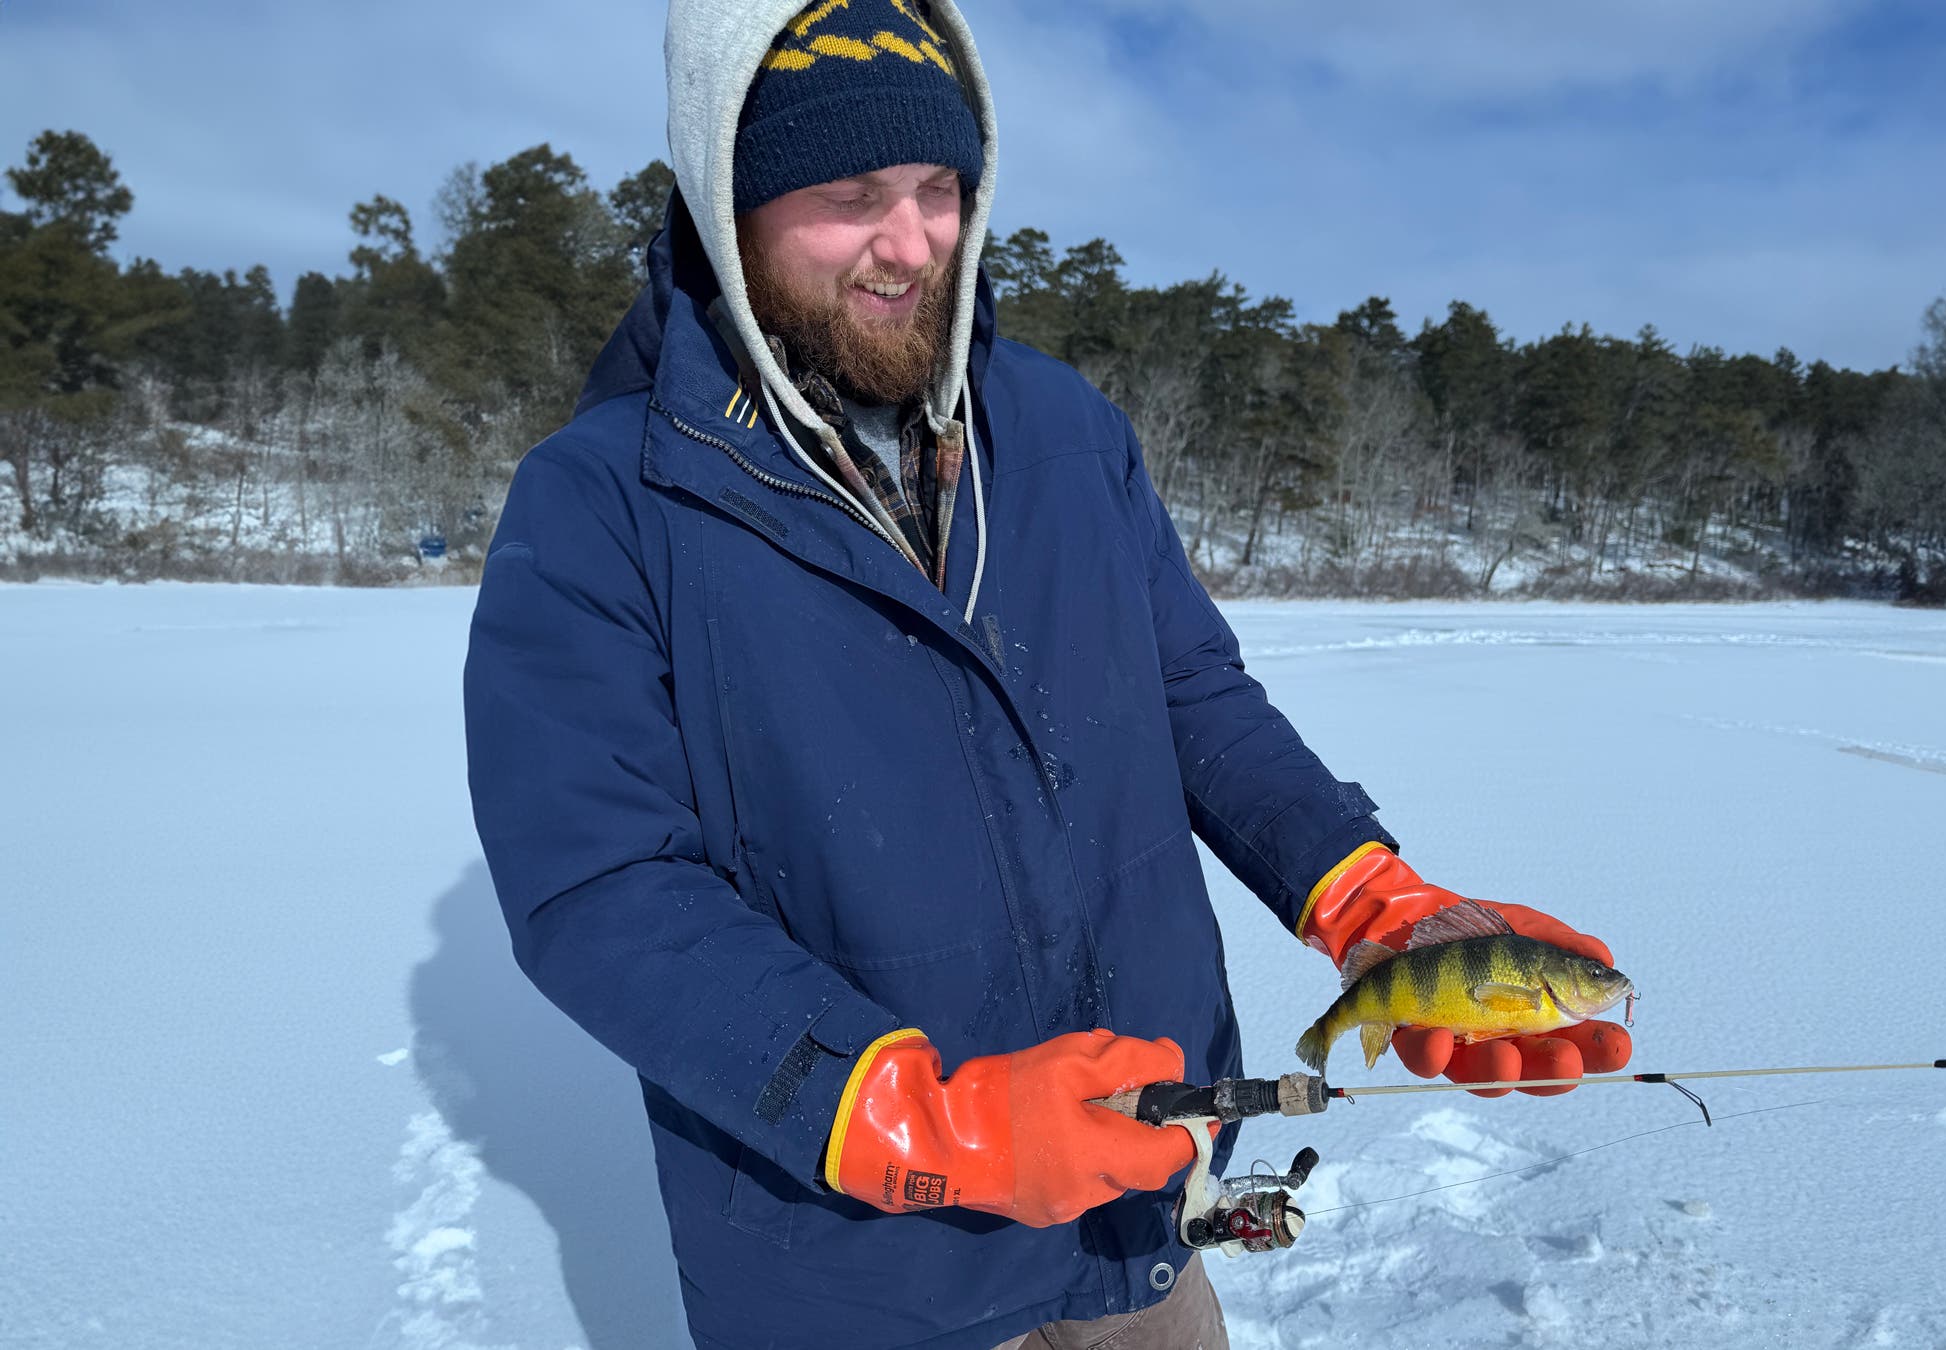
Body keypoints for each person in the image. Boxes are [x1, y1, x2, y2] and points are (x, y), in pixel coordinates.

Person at [461, 2, 1633, 1347]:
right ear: (728, 199)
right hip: (858, 1269)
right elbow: (598, 887)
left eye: (939, 190)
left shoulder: (1071, 435)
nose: (910, 245)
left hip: (1136, 1209)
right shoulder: (604, 500)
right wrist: (906, 1111)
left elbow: (1197, 701)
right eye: (850, 197)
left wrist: (1373, 898)